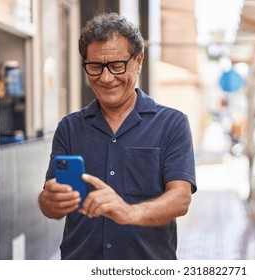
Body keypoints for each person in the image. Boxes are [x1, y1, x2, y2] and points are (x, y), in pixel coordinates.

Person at [38, 12, 197, 260]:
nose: (105, 78)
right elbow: (49, 206)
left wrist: (129, 212)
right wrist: (51, 200)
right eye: (95, 67)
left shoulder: (172, 123)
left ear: (138, 61)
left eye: (116, 65)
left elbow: (180, 199)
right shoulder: (69, 127)